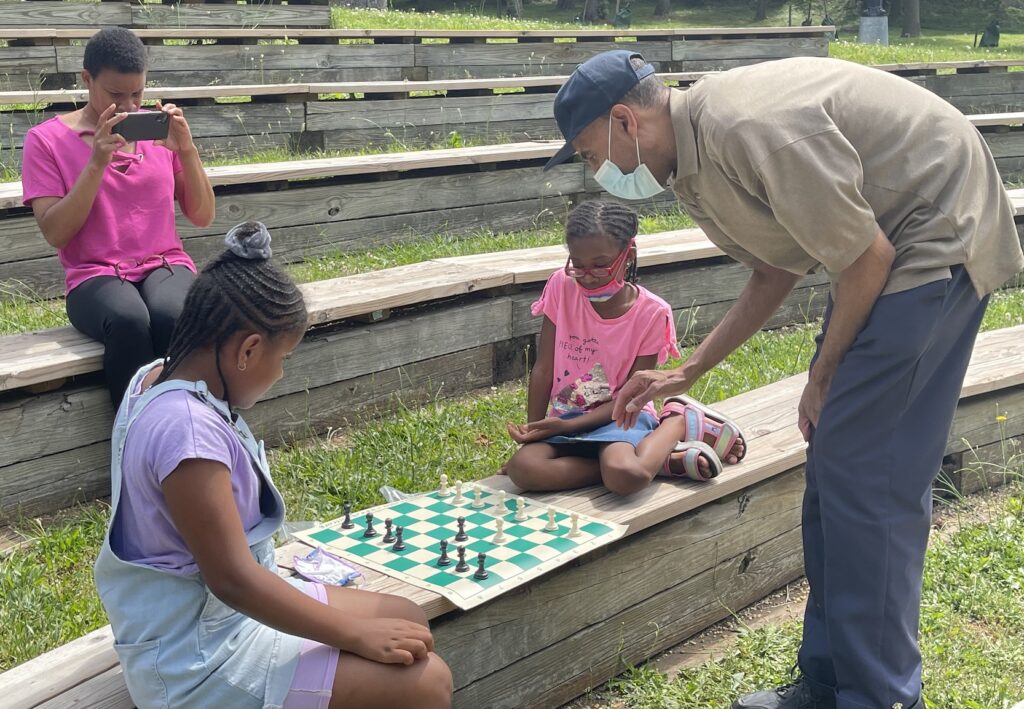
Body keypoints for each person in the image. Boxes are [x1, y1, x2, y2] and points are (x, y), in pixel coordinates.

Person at [544, 50, 1024, 709]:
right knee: (835, 462)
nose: (592, 168)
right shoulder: (690, 163)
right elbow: (776, 269)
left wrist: (821, 375)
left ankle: (880, 695)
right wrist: (687, 370)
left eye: (588, 151)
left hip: (934, 230)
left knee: (868, 474)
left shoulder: (745, 127)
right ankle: (828, 681)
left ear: (624, 121)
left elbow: (868, 258)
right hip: (884, 246)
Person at [93, 222, 453, 709]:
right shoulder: (187, 433)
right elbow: (232, 580)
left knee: (407, 618)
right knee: (428, 682)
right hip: (197, 659)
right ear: (248, 350)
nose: (280, 373)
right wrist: (356, 635)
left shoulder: (155, 376)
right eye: (282, 358)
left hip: (220, 615)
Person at [21, 27, 215, 407]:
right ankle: (134, 432)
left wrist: (187, 151)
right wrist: (96, 162)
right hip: (92, 276)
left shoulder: (160, 136)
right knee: (129, 320)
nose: (129, 106)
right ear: (87, 79)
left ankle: (190, 424)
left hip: (164, 264)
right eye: (115, 95)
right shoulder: (45, 141)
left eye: (137, 94)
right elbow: (56, 233)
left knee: (174, 313)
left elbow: (203, 215)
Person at [504, 200, 746, 494]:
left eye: (600, 265)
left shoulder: (652, 313)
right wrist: (534, 431)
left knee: (625, 476)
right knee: (523, 469)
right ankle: (661, 461)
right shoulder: (561, 285)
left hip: (622, 414)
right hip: (565, 416)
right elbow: (543, 368)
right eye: (577, 265)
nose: (587, 276)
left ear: (628, 256)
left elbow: (631, 397)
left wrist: (566, 428)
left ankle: (677, 421)